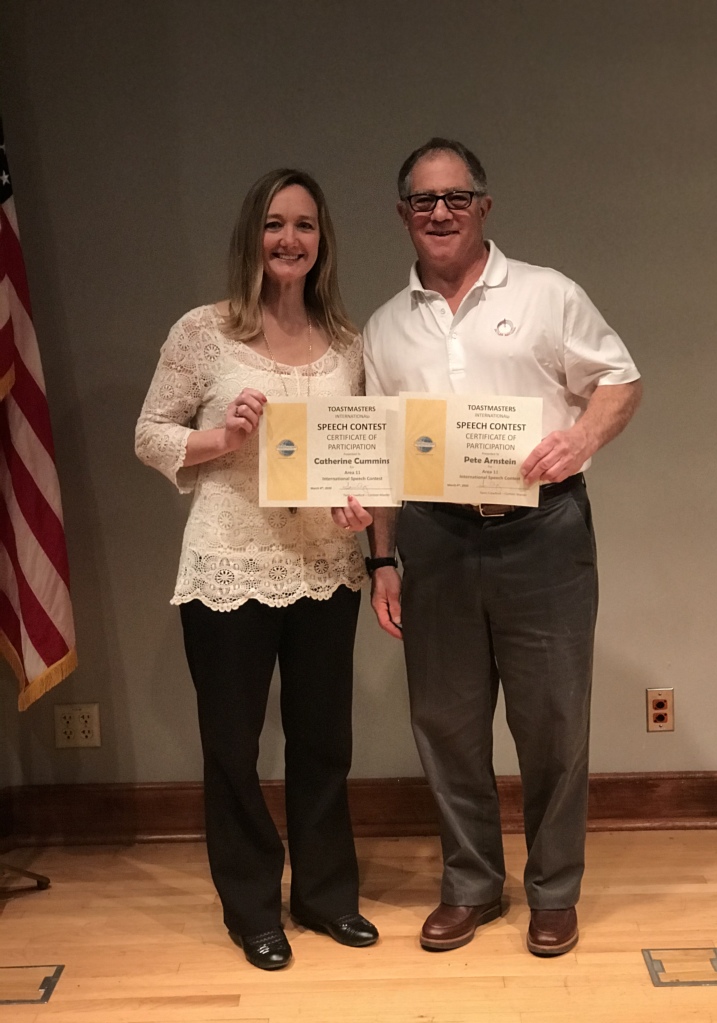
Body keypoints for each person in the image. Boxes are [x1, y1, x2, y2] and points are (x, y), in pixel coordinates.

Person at [356, 138, 641, 957]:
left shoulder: (549, 295)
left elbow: (621, 381)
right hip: (435, 539)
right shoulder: (385, 327)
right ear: (403, 214)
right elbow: (379, 453)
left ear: (484, 205)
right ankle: (471, 884)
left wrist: (579, 439)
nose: (438, 213)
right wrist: (382, 559)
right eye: (422, 200)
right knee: (444, 724)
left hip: (544, 534)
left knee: (552, 722)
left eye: (455, 197)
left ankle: (555, 891)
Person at [135, 169, 378, 971]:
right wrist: (220, 442)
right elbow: (150, 435)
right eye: (276, 224)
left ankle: (325, 895)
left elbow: (365, 457)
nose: (290, 240)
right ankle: (251, 907)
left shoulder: (348, 344)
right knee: (232, 747)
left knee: (323, 742)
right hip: (230, 564)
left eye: (306, 225)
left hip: (325, 566)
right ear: (253, 235)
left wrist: (364, 512)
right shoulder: (202, 332)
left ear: (323, 242)